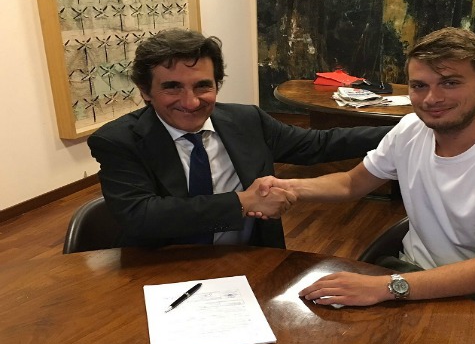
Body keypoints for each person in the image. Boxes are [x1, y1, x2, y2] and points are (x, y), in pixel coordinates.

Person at [255, 27, 475, 332]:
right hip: (410, 272)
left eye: (450, 83)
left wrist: (385, 287)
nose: (432, 98)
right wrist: (287, 187)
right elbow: (351, 183)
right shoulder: (411, 128)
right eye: (419, 85)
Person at [87, 28, 391, 249]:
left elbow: (319, 145)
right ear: (145, 91)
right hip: (157, 269)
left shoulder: (246, 120)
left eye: (203, 86)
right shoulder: (118, 141)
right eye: (172, 87)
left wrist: (405, 130)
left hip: (250, 262)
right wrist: (242, 203)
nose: (191, 102)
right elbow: (142, 216)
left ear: (217, 85)